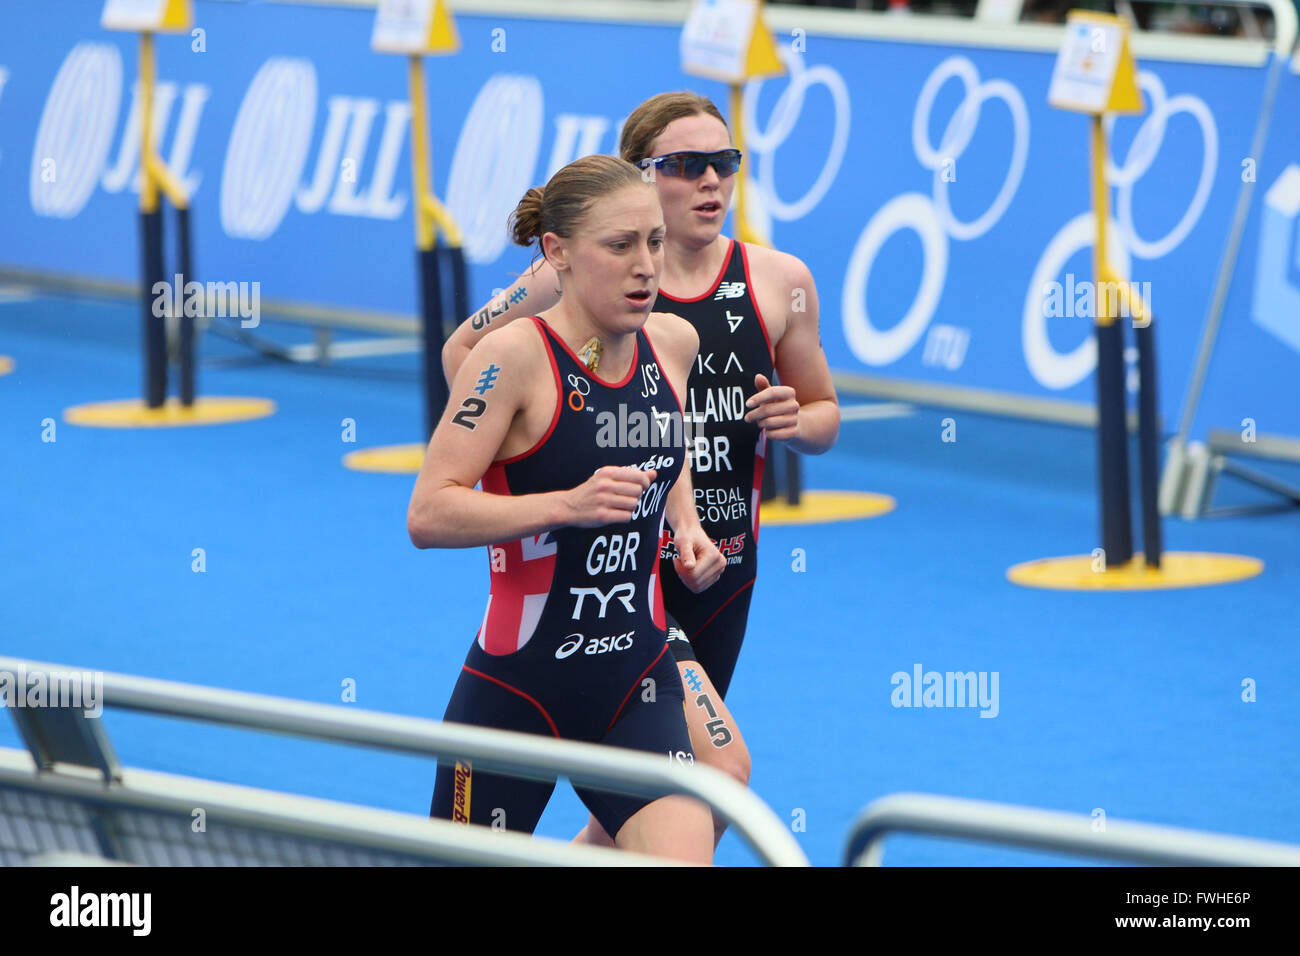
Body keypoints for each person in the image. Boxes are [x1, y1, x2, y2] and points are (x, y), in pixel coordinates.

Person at [442, 92, 841, 849]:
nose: (710, 183)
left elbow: (718, 426)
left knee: (659, 793)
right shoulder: (564, 284)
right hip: (609, 576)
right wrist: (531, 439)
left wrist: (788, 432)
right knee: (717, 769)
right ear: (639, 176)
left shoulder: (763, 288)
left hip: (718, 570)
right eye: (686, 165)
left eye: (723, 163)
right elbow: (464, 357)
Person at [408, 153, 728, 864]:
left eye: (653, 241)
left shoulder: (674, 346)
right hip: (517, 687)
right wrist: (566, 506)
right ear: (557, 253)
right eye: (619, 246)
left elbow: (657, 451)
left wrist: (687, 527)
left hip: (634, 682)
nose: (645, 265)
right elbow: (429, 513)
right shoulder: (510, 359)